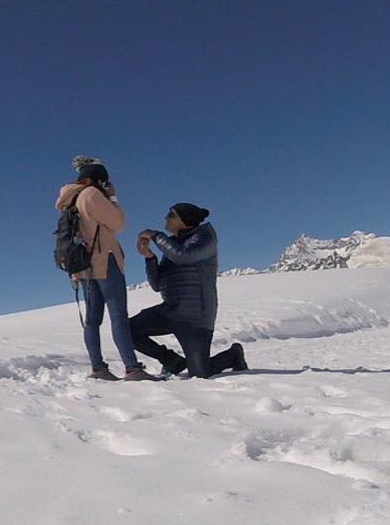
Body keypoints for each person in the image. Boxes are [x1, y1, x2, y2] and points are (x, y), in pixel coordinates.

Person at [56, 158, 160, 381]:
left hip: (83, 267)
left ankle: (98, 368)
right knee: (118, 316)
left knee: (92, 319)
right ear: (98, 180)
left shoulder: (70, 200)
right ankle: (132, 368)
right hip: (104, 261)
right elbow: (118, 223)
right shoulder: (90, 195)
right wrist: (112, 197)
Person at [131, 203, 248, 378]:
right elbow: (157, 285)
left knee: (200, 373)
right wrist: (150, 258)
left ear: (185, 220)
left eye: (171, 215)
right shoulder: (173, 245)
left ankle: (233, 355)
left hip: (196, 318)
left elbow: (184, 256)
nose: (166, 218)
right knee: (126, 330)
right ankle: (172, 361)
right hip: (170, 311)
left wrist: (156, 235)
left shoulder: (205, 237)